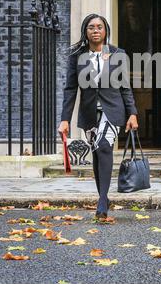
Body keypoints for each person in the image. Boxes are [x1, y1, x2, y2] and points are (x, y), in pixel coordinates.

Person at [58, 14, 138, 219]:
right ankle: (103, 195)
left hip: (113, 110)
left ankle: (102, 201)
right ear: (86, 31)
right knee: (96, 152)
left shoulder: (117, 54)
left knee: (104, 146)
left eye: (99, 27)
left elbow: (125, 87)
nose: (95, 30)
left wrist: (133, 114)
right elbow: (70, 88)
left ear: (105, 31)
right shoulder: (77, 56)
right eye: (91, 27)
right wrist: (65, 119)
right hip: (89, 112)